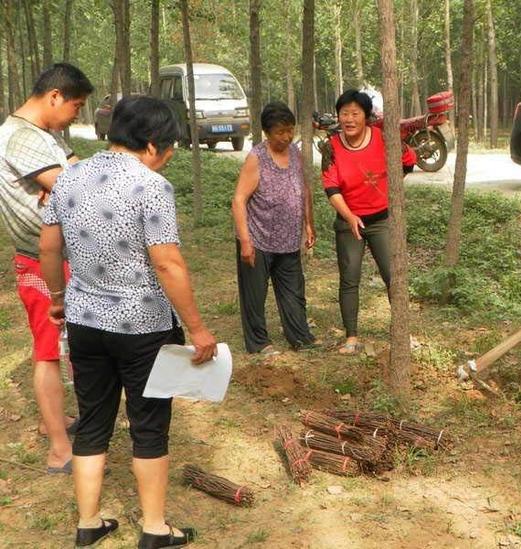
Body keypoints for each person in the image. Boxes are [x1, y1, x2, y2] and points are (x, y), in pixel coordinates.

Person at [39, 96, 216, 548]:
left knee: (94, 421)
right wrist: (197, 328)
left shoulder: (68, 177)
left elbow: (48, 248)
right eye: (172, 146)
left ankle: (88, 522)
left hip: (84, 321)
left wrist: (58, 300)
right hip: (143, 328)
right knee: (149, 425)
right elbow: (167, 264)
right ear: (153, 144)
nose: (171, 155)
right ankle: (155, 528)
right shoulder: (150, 185)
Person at [0, 63, 93, 473]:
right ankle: (59, 449)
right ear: (55, 96)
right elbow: (77, 188)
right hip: (41, 260)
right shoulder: (20, 138)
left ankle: (50, 420)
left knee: (56, 346)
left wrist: (60, 184)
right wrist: (63, 185)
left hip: (58, 255)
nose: (77, 114)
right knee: (48, 352)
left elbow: (79, 174)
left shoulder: (44, 136)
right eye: (76, 105)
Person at [321, 89, 416, 354]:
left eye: (355, 113)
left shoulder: (383, 138)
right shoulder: (332, 146)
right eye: (344, 113)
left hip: (382, 220)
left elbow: (408, 162)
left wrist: (390, 186)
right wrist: (350, 216)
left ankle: (402, 335)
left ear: (366, 116)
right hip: (349, 220)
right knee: (349, 279)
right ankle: (351, 337)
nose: (349, 119)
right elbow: (330, 186)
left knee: (393, 276)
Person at [232, 101, 316, 355]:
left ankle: (300, 336)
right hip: (258, 238)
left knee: (293, 290)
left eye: (290, 130)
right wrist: (245, 241)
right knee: (255, 295)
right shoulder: (257, 158)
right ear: (267, 133)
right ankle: (259, 342)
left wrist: (309, 224)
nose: (287, 136)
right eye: (280, 132)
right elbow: (238, 200)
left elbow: (304, 189)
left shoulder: (295, 154)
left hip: (289, 239)